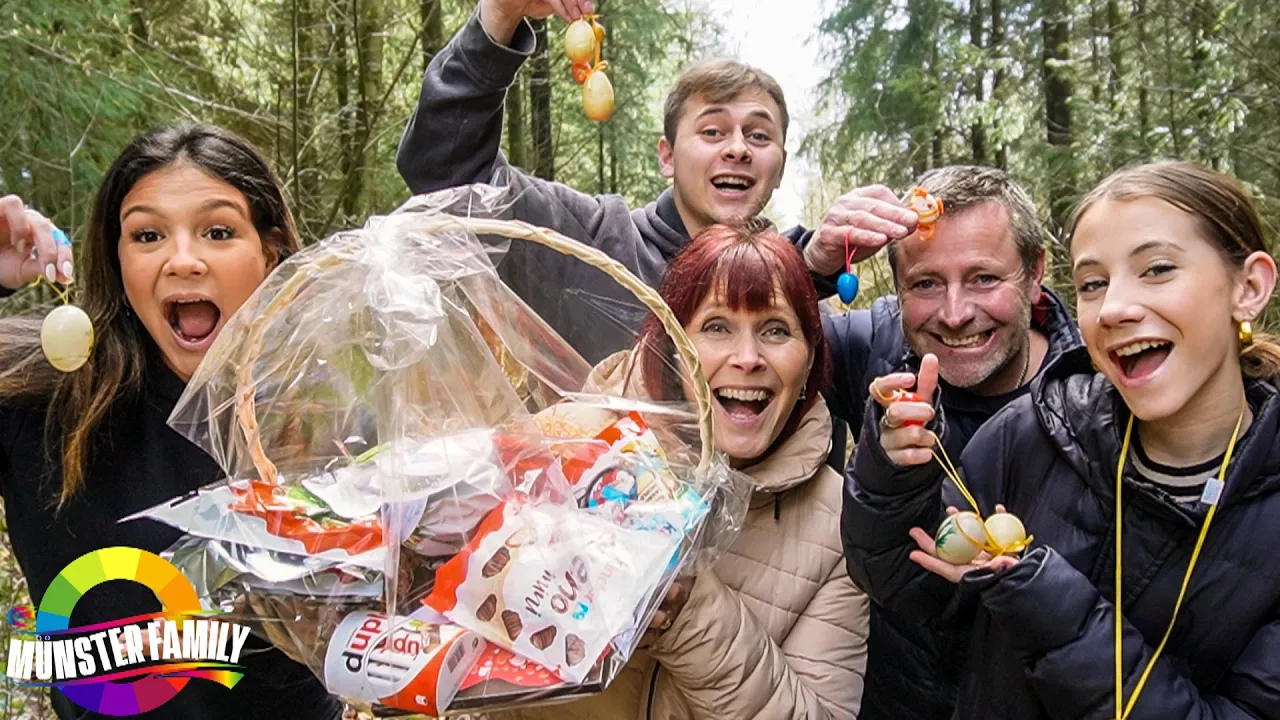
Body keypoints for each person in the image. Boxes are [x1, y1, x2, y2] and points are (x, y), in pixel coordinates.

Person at [844, 160, 1280, 718]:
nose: (1116, 308)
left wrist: (1042, 596)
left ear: (1249, 287)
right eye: (1094, 283)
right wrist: (893, 471)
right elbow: (915, 586)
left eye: (1158, 269)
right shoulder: (1029, 435)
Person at [0, 124, 343, 719]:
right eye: (148, 234)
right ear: (118, 258)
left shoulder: (330, 419)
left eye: (217, 231)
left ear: (271, 253)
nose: (183, 260)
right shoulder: (40, 402)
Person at [492, 223, 869, 719]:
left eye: (776, 330)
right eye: (716, 327)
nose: (748, 358)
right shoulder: (573, 443)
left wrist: (689, 613)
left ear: (809, 363)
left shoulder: (840, 523)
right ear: (672, 348)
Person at [395, 0, 892, 367]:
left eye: (758, 134)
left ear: (779, 166)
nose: (737, 148)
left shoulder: (803, 301)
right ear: (667, 157)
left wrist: (810, 266)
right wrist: (498, 20)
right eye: (713, 130)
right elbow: (446, 173)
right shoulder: (590, 243)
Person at [819, 166, 1082, 720]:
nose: (956, 312)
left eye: (984, 278)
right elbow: (732, 337)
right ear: (896, 287)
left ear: (1035, 275)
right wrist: (813, 266)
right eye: (925, 284)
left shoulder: (1097, 394)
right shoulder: (874, 351)